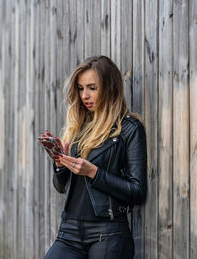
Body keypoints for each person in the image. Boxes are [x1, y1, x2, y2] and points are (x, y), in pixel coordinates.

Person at [38, 55, 147, 259]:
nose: (84, 95)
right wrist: (60, 164)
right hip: (69, 231)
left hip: (108, 232)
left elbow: (137, 191)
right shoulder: (79, 127)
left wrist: (94, 173)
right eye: (80, 88)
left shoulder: (130, 130)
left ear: (110, 87)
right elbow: (61, 187)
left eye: (92, 88)